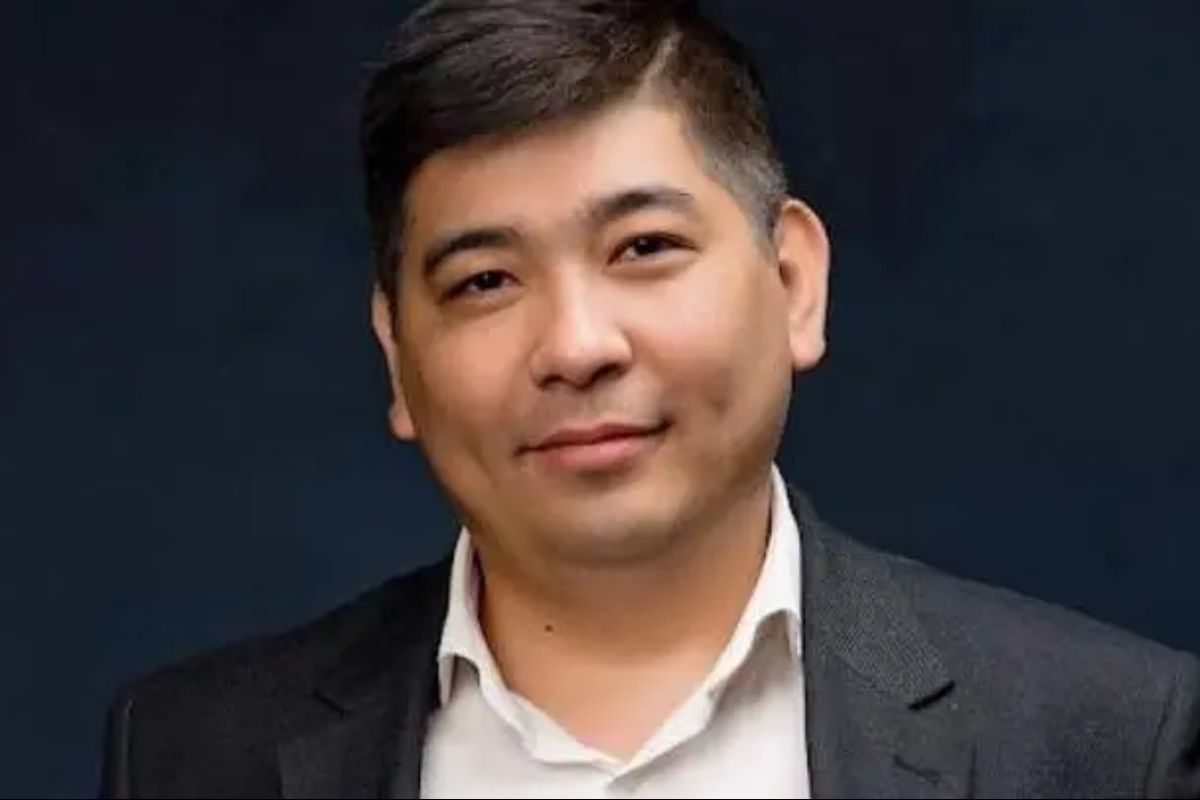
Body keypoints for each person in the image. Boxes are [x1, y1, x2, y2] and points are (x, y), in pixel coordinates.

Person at [100, 1, 1200, 797]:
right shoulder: (191, 753)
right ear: (396, 354)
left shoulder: (1104, 741)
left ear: (794, 283)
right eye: (485, 281)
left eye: (644, 247)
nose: (577, 346)